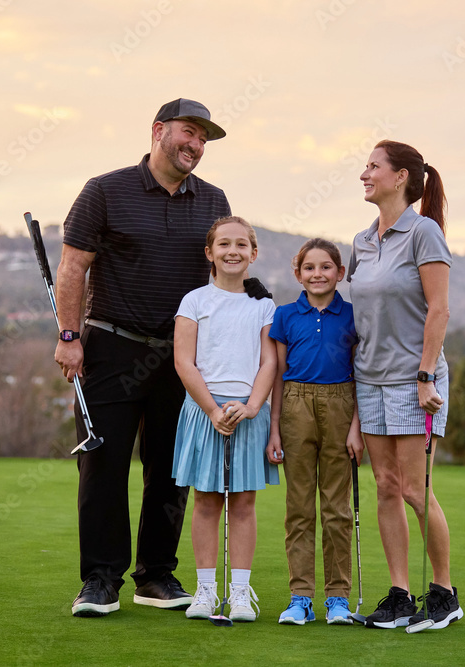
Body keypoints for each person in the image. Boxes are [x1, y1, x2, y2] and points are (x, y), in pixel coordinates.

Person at [55, 99, 232, 617]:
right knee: (103, 465)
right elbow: (73, 266)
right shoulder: (105, 190)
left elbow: (226, 270)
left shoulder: (214, 199)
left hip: (180, 356)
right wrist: (69, 335)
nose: (195, 145)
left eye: (203, 138)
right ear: (158, 131)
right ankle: (100, 580)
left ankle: (155, 576)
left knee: (171, 470)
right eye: (188, 132)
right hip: (110, 347)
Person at [348, 140, 464, 630]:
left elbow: (439, 309)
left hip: (414, 382)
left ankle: (443, 593)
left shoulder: (424, 232)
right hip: (369, 381)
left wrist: (424, 376)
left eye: (373, 166)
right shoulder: (361, 240)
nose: (364, 174)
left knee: (417, 490)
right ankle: (399, 593)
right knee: (386, 488)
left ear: (400, 178)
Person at [172, 216, 278, 622]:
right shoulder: (194, 301)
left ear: (253, 253)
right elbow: (184, 362)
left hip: (249, 412)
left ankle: (239, 593)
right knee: (206, 500)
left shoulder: (265, 306)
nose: (232, 251)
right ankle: (203, 591)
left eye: (241, 245)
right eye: (224, 245)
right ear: (210, 253)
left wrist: (251, 407)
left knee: (245, 502)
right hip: (205, 411)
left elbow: (270, 361)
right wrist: (213, 410)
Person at [265, 238, 363, 626]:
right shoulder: (285, 316)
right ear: (298, 273)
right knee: (299, 508)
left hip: (341, 404)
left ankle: (337, 598)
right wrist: (274, 429)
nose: (317, 274)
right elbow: (277, 376)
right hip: (295, 406)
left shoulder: (354, 315)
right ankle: (300, 597)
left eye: (326, 267)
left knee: (337, 508)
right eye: (309, 268)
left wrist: (356, 427)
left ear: (340, 273)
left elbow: (362, 375)